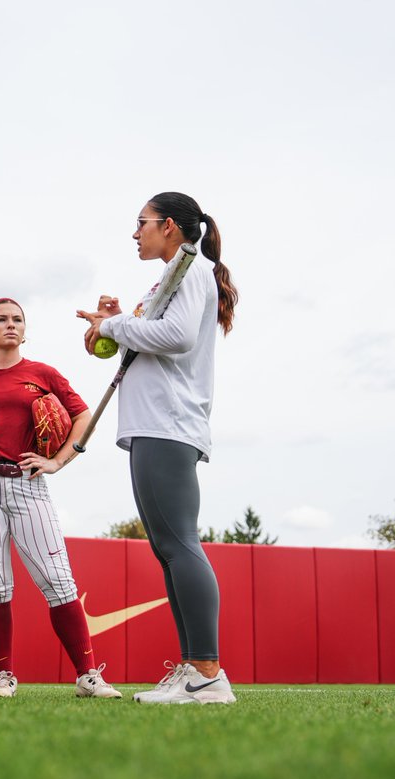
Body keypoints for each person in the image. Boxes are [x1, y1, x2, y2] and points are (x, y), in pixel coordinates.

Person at [76, 191, 239, 705]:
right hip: (156, 423)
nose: (135, 232)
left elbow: (176, 336)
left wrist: (115, 326)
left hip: (168, 423)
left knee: (180, 544)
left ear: (169, 226)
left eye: (141, 222)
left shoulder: (192, 269)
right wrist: (118, 324)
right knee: (169, 549)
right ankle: (195, 670)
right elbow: (154, 337)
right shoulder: (174, 274)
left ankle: (208, 674)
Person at [0, 298, 121, 699]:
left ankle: (88, 675)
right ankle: (3, 676)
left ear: (24, 329)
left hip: (29, 481)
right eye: (2, 319)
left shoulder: (42, 373)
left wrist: (60, 461)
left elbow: (83, 417)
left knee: (58, 581)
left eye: (17, 319)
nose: (10, 325)